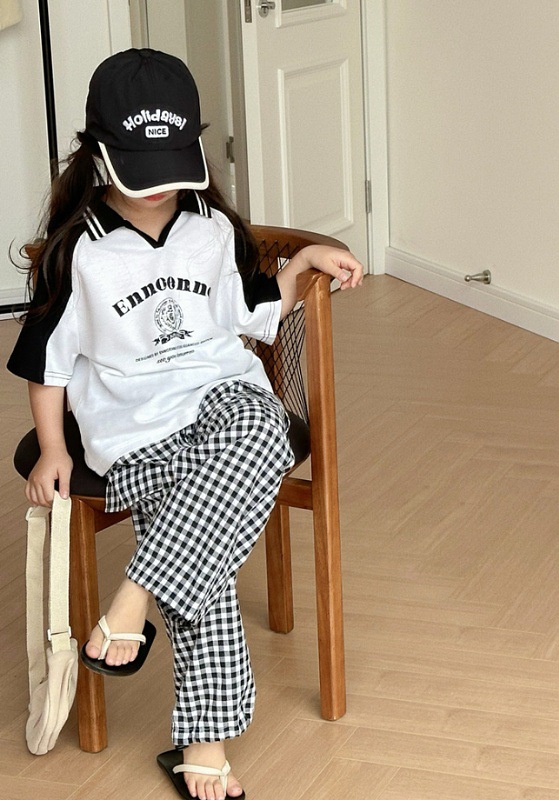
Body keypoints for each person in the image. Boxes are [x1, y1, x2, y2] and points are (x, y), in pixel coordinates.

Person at [7, 48, 363, 800]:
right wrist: (51, 448)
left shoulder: (212, 228)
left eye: (170, 163)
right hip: (135, 430)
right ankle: (203, 744)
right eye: (142, 167)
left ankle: (134, 596)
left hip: (224, 399)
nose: (161, 184)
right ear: (100, 156)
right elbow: (49, 366)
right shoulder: (78, 252)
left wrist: (306, 258)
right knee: (203, 548)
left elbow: (255, 313)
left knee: (261, 428)